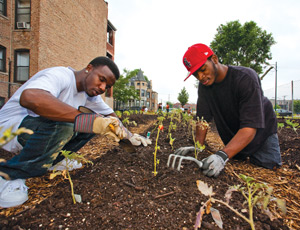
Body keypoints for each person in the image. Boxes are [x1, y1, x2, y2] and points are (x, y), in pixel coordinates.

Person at [0, 56, 151, 208]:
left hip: (38, 133)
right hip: (10, 129)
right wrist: (90, 121)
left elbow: (112, 119)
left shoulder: (90, 96)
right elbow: (31, 98)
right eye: (102, 79)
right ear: (89, 68)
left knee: (91, 123)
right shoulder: (61, 76)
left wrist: (130, 136)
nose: (103, 88)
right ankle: (9, 174)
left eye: (107, 86)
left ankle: (54, 160)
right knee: (80, 122)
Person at [175, 43, 281, 177]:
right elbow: (203, 120)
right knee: (238, 169)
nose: (201, 77)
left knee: (267, 171)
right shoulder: (205, 87)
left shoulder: (245, 78)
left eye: (203, 69)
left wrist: (222, 155)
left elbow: (250, 127)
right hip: (235, 134)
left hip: (262, 133)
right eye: (196, 74)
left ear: (214, 59)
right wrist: (198, 147)